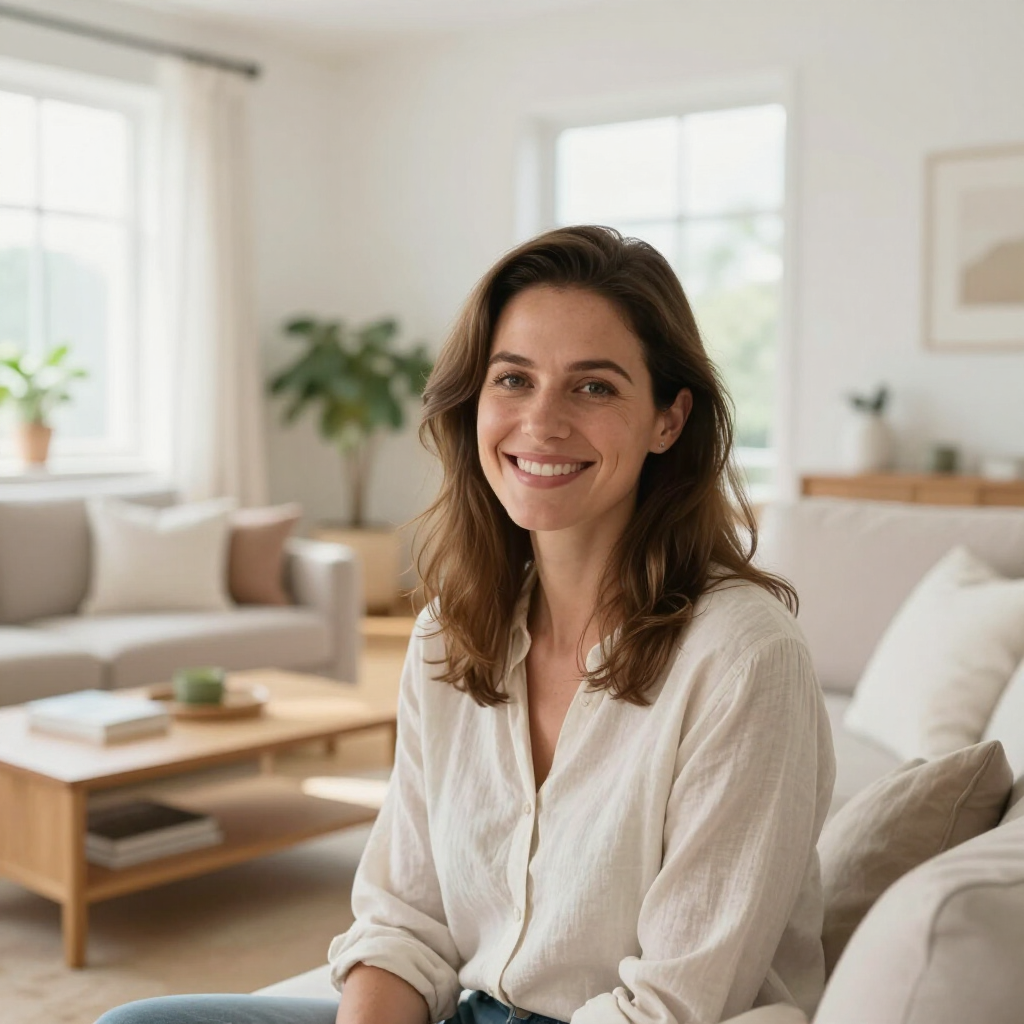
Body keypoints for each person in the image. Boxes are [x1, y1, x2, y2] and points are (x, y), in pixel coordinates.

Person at [95, 226, 835, 1024]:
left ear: (668, 419)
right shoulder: (451, 633)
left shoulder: (745, 659)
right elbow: (403, 920)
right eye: (513, 379)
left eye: (594, 387)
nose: (542, 422)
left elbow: (674, 1006)